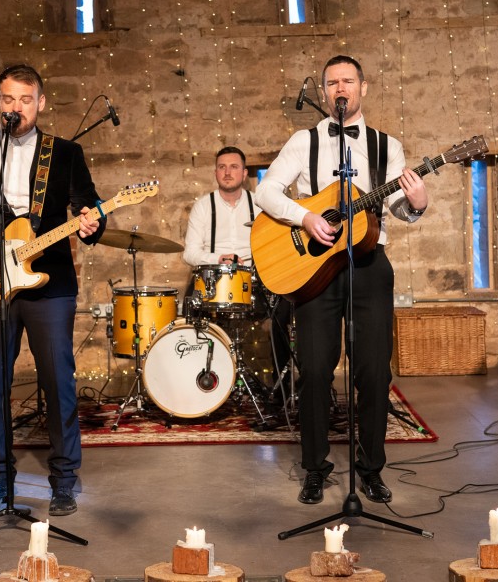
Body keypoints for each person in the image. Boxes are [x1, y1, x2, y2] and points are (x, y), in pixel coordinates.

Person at [0, 64, 105, 516]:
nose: (16, 107)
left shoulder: (64, 152)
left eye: (25, 99)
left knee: (57, 380)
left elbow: (89, 211)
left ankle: (64, 478)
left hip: (50, 282)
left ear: (41, 103)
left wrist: (91, 224)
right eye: (8, 99)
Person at [254, 55, 428, 505]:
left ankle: (370, 470)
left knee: (373, 372)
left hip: (370, 267)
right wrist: (306, 216)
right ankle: (315, 468)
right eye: (332, 82)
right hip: (315, 271)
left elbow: (399, 211)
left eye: (348, 81)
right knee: (313, 372)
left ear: (363, 88)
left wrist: (418, 203)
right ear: (325, 91)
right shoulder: (303, 140)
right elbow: (267, 191)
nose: (339, 88)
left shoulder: (387, 146)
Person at [183, 146, 293, 394]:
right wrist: (217, 258)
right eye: (222, 167)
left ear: (244, 173)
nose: (227, 172)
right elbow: (189, 253)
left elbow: (278, 244)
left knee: (284, 309)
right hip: (214, 278)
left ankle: (281, 387)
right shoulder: (203, 206)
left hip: (257, 278)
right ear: (215, 173)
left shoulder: (261, 204)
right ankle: (200, 382)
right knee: (189, 306)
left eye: (234, 167)